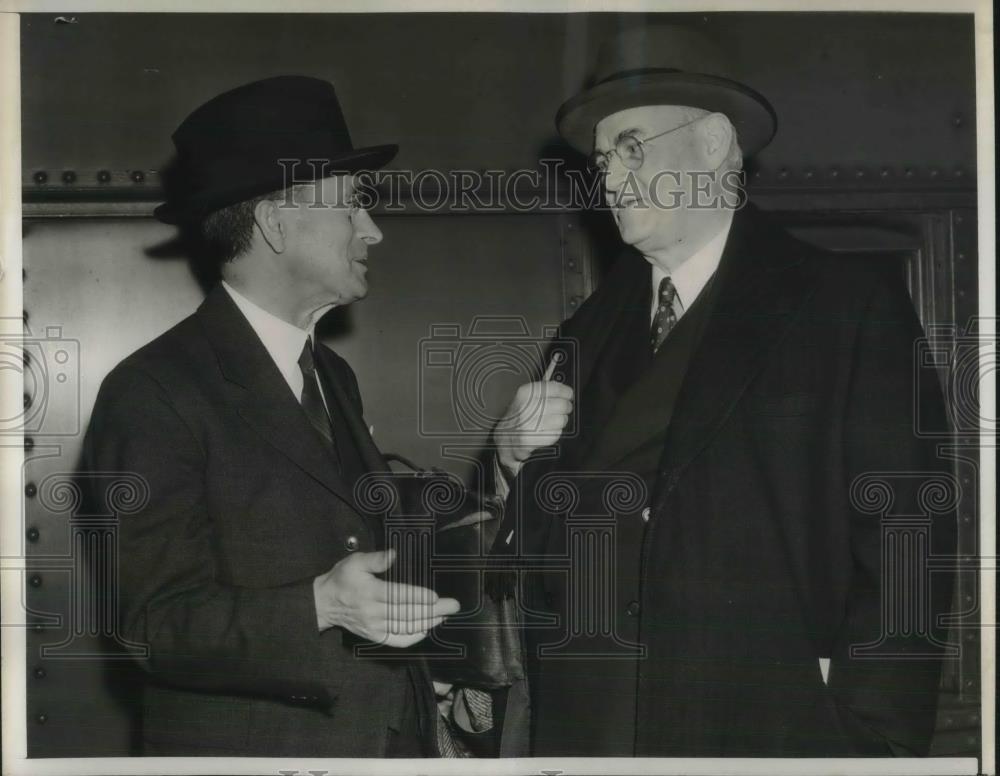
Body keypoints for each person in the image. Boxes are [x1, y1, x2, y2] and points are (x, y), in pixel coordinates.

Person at [489, 25, 955, 757]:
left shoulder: (844, 305)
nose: (610, 178)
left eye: (632, 147)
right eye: (603, 159)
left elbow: (907, 536)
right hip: (590, 728)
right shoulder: (583, 332)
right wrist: (513, 465)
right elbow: (535, 565)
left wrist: (871, 742)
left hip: (766, 725)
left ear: (712, 145)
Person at [82, 75, 459, 757]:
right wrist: (322, 605)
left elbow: (344, 535)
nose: (372, 229)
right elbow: (153, 626)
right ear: (277, 223)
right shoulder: (151, 392)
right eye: (352, 207)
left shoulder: (330, 374)